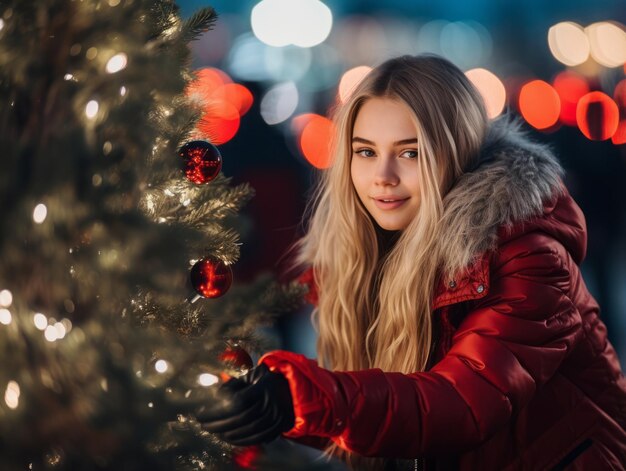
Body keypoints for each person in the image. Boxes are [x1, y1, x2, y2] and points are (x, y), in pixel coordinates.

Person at [198, 54, 626, 470]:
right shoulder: (361, 251)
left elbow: (461, 404)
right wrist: (273, 406)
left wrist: (304, 397)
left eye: (410, 152)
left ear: (454, 151)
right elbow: (383, 414)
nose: (383, 175)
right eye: (365, 152)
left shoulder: (527, 253)